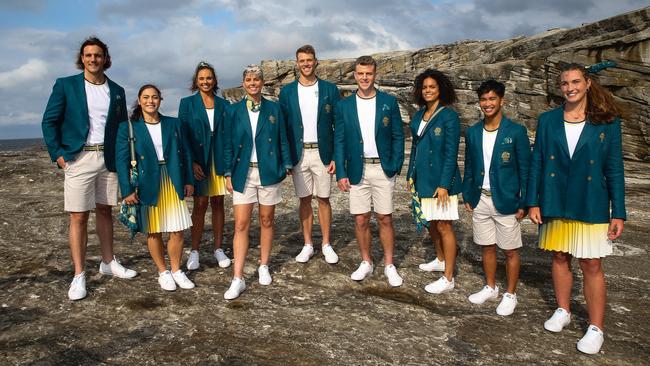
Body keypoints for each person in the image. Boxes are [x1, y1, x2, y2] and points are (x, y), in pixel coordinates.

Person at [527, 63, 625, 354]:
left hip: (591, 199)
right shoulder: (547, 120)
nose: (570, 88)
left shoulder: (607, 121)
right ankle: (563, 310)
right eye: (564, 83)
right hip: (556, 198)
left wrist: (618, 211)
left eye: (575, 81)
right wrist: (533, 201)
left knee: (591, 263)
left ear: (588, 83)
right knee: (559, 256)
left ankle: (596, 328)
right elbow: (538, 162)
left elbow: (615, 169)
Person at [41, 36, 136, 301]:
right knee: (78, 216)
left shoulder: (116, 90)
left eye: (98, 55)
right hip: (78, 158)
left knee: (105, 211)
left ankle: (108, 262)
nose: (93, 59)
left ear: (106, 58)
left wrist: (122, 158)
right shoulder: (65, 85)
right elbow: (49, 122)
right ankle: (79, 274)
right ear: (81, 58)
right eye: (88, 55)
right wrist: (58, 155)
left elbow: (119, 129)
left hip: (107, 160)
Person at [116, 84, 196, 291]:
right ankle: (163, 272)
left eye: (154, 97)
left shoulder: (173, 123)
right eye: (146, 97)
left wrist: (188, 180)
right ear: (139, 100)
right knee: (154, 231)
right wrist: (126, 191)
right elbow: (121, 160)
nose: (150, 101)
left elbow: (185, 153)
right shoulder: (129, 127)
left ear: (160, 100)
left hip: (172, 178)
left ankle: (177, 270)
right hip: (146, 181)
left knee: (177, 229)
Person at [222, 65, 292, 300]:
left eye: (257, 79)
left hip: (268, 172)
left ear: (263, 83)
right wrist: (227, 172)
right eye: (249, 79)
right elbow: (228, 143)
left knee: (266, 220)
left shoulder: (274, 109)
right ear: (243, 83)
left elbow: (283, 138)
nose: (253, 83)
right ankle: (238, 277)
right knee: (241, 224)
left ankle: (263, 265)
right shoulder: (233, 111)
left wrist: (285, 166)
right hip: (243, 173)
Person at [334, 55, 404, 287]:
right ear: (354, 75)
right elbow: (340, 140)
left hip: (383, 169)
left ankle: (389, 265)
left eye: (369, 74)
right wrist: (341, 172)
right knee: (361, 219)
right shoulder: (344, 105)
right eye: (360, 74)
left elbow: (397, 136)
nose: (364, 78)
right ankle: (366, 261)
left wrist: (394, 166)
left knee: (385, 218)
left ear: (375, 75)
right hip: (357, 169)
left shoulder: (388, 102)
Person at [462, 80, 530, 315]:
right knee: (487, 246)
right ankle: (490, 286)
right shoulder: (472, 132)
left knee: (510, 250)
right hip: (481, 198)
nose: (488, 104)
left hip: (507, 200)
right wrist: (468, 194)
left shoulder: (516, 131)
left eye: (492, 99)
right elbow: (469, 166)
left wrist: (525, 202)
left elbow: (525, 169)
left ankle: (510, 294)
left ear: (502, 100)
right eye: (483, 99)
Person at [279, 45, 340, 264]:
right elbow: (283, 128)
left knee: (324, 199)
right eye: (302, 60)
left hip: (322, 153)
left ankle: (326, 244)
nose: (306, 63)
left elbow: (338, 125)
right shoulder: (286, 92)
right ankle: (308, 244)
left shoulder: (330, 89)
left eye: (309, 60)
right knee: (304, 200)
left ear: (316, 62)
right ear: (297, 63)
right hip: (299, 153)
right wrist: (286, 158)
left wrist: (335, 156)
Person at [406, 69, 461, 294]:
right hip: (423, 180)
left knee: (444, 226)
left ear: (441, 90)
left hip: (441, 182)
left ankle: (448, 277)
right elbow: (416, 148)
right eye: (425, 87)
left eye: (432, 87)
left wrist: (444, 185)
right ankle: (439, 259)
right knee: (431, 223)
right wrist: (411, 175)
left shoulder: (449, 116)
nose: (428, 91)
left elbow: (451, 153)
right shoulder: (419, 116)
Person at [178, 62, 231, 270]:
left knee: (218, 203)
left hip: (218, 161)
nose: (205, 81)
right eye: (201, 78)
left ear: (214, 80)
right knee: (200, 205)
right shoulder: (187, 103)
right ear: (196, 81)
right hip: (199, 161)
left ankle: (218, 248)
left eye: (209, 78)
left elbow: (229, 135)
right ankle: (195, 250)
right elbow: (183, 136)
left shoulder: (224, 104)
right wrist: (191, 162)